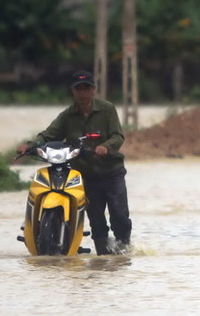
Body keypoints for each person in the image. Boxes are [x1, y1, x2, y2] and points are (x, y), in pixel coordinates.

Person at [17, 71, 132, 255]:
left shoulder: (107, 109)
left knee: (119, 215)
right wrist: (30, 146)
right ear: (73, 91)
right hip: (86, 175)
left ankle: (123, 251)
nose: (82, 93)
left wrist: (105, 147)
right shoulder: (67, 116)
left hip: (112, 172)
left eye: (86, 88)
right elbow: (48, 135)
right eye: (79, 89)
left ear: (93, 89)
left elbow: (118, 135)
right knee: (96, 220)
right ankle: (103, 256)